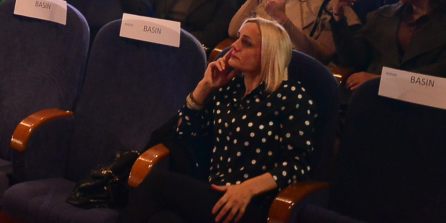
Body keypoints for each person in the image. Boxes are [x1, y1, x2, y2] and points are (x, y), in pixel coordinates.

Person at [124, 18, 317, 223]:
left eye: (246, 43)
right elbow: (185, 137)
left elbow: (296, 166)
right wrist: (203, 88)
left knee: (158, 183)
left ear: (269, 54)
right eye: (237, 38)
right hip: (214, 194)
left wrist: (247, 189)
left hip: (253, 204)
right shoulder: (230, 89)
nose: (234, 46)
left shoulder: (291, 96)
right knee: (163, 219)